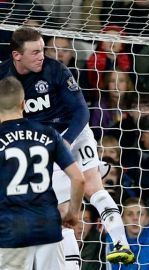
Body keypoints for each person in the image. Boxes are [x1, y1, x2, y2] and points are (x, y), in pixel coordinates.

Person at [0, 27, 134, 267]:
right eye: (35, 52)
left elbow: (82, 111)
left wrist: (67, 141)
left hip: (73, 133)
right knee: (60, 207)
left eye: (43, 50)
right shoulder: (3, 78)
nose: (42, 55)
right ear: (17, 55)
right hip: (43, 143)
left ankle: (120, 243)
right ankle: (72, 265)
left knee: (92, 184)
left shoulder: (56, 70)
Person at [0, 76, 85, 269]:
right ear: (23, 103)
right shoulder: (48, 133)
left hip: (11, 227)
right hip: (47, 223)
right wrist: (72, 213)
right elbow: (79, 179)